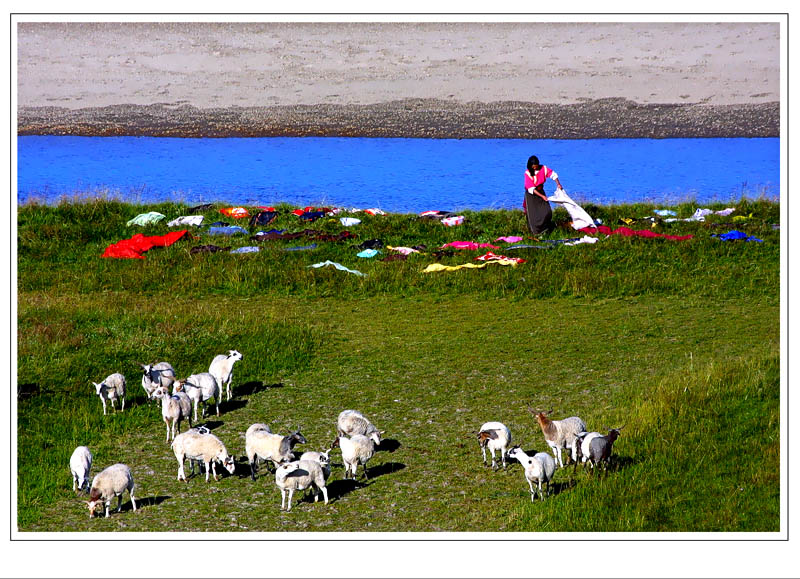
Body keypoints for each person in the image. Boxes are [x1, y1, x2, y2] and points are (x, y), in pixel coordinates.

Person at [523, 155, 564, 235]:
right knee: (533, 215)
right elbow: (531, 188)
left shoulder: (543, 169)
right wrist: (542, 196)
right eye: (533, 167)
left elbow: (553, 174)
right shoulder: (527, 173)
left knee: (547, 211)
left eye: (536, 166)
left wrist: (558, 184)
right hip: (531, 195)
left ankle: (545, 229)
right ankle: (536, 232)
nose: (535, 168)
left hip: (540, 191)